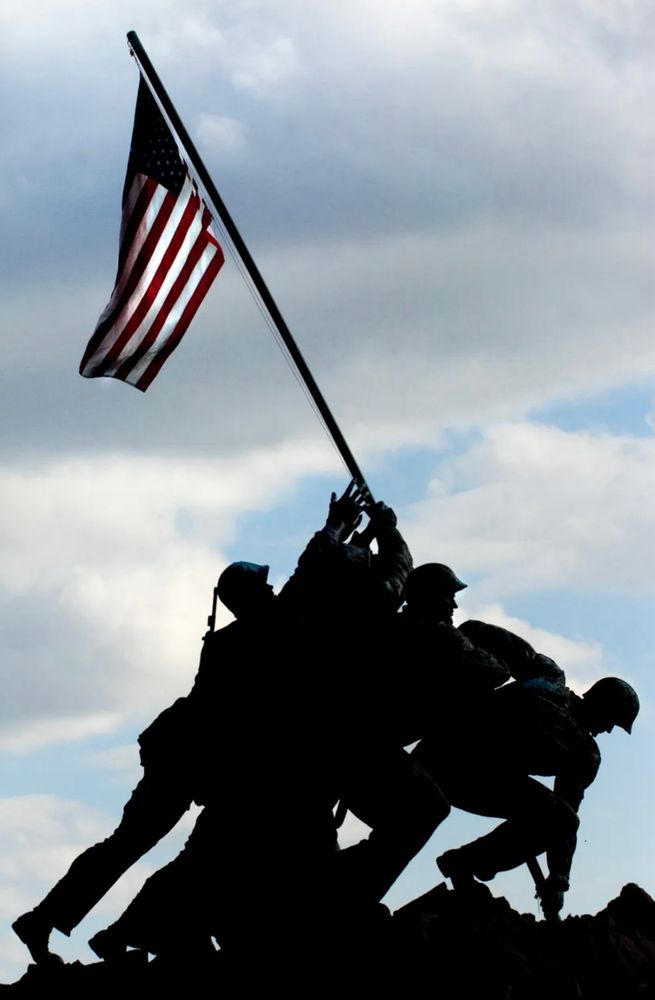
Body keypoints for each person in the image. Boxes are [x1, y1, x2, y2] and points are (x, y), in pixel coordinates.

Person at [11, 561, 279, 966]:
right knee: (127, 845)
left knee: (127, 845)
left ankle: (48, 921)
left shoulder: (236, 638)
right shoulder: (244, 638)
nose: (272, 589)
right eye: (264, 584)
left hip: (184, 761)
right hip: (183, 762)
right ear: (248, 596)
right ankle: (49, 921)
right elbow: (298, 592)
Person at [413, 651, 639, 918]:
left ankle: (464, 862)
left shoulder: (581, 751)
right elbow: (478, 633)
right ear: (600, 704)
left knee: (559, 818)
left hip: (467, 772)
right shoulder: (549, 681)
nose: (609, 730)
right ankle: (465, 862)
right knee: (560, 819)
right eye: (612, 720)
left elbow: (564, 818)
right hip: (447, 754)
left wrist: (558, 878)